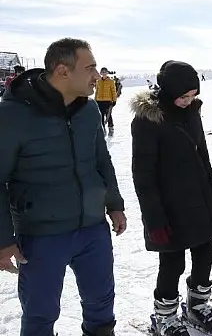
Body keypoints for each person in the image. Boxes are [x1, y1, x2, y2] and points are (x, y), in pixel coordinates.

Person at [0, 38, 126, 336]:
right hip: (42, 236)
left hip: (93, 228)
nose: (97, 76)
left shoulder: (89, 110)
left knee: (101, 304)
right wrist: (4, 239)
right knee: (41, 314)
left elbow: (101, 160)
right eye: (90, 68)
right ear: (63, 71)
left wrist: (115, 203)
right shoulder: (12, 115)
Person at [131, 61, 212, 336]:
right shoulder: (148, 121)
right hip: (167, 205)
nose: (188, 100)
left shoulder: (192, 113)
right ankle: (165, 316)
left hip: (197, 198)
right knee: (173, 263)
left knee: (205, 254)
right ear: (170, 91)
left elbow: (202, 152)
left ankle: (197, 306)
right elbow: (143, 174)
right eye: (183, 96)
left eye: (193, 95)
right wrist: (154, 218)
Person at [95, 67, 117, 135]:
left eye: (105, 72)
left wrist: (114, 100)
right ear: (101, 73)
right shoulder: (98, 81)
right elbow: (97, 91)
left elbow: (113, 91)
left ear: (107, 73)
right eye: (102, 72)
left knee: (108, 115)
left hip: (108, 101)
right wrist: (95, 99)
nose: (104, 73)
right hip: (99, 101)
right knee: (100, 116)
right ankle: (103, 129)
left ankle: (111, 128)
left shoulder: (111, 81)